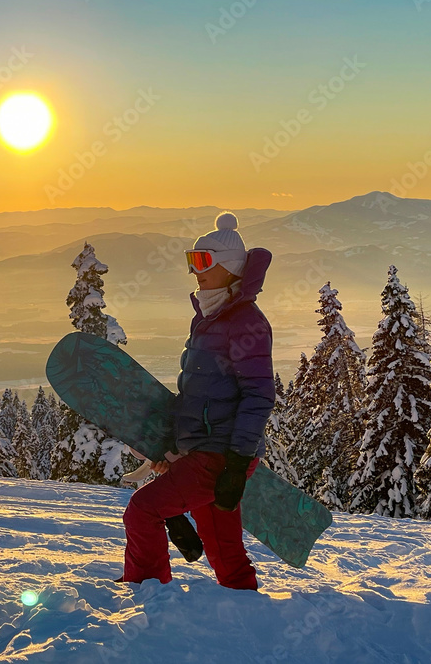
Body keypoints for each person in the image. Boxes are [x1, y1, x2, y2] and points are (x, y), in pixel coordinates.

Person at [117, 211, 275, 590]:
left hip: (221, 455)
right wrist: (174, 448)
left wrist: (236, 464)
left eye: (203, 260)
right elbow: (199, 395)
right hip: (207, 450)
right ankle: (245, 605)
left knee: (142, 510)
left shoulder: (246, 321)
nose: (195, 271)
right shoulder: (209, 317)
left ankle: (146, 592)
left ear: (230, 266)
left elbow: (259, 394)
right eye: (192, 260)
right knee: (223, 545)